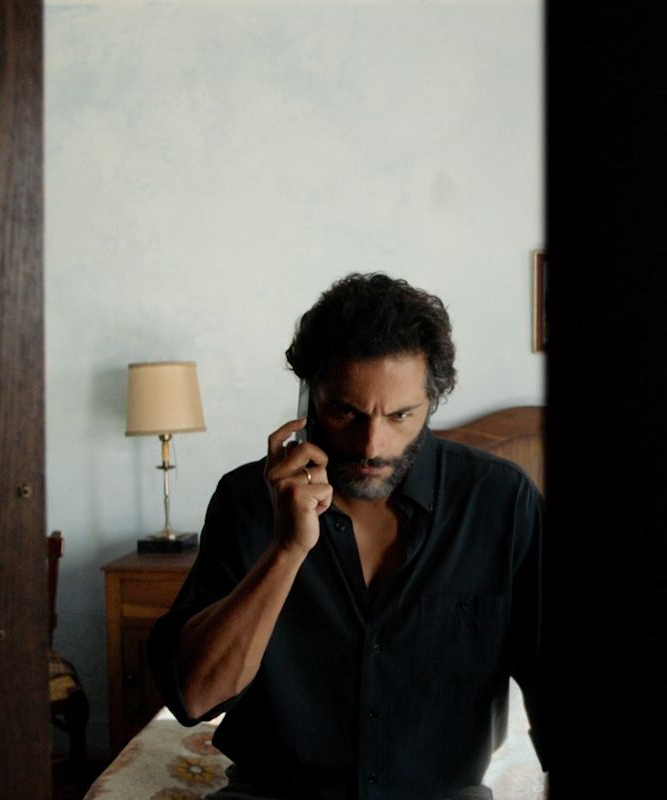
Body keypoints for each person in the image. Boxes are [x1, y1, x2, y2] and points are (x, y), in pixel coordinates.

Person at [147, 272, 548, 800]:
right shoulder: (246, 500)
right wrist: (286, 549)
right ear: (309, 397)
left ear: (433, 400)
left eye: (401, 415)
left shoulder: (500, 501)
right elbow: (197, 697)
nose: (372, 445)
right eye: (346, 412)